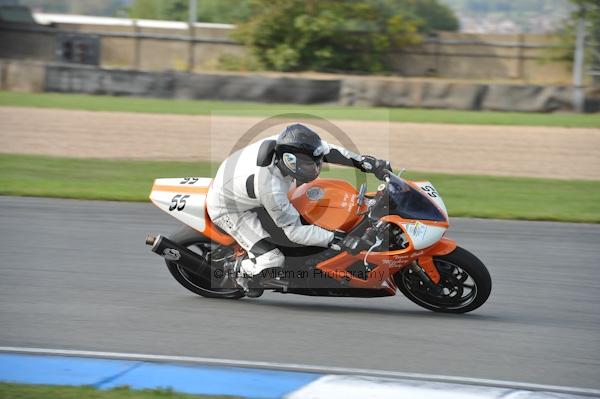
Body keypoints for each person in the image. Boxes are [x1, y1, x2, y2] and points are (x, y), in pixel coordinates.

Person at [206, 123, 390, 297]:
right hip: (229, 208)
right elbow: (294, 232)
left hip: (241, 183)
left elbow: (329, 151)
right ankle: (238, 271)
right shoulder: (271, 188)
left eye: (315, 163)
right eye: (309, 164)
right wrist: (338, 240)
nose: (315, 168)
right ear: (290, 161)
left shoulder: (288, 143)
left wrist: (367, 163)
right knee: (271, 261)